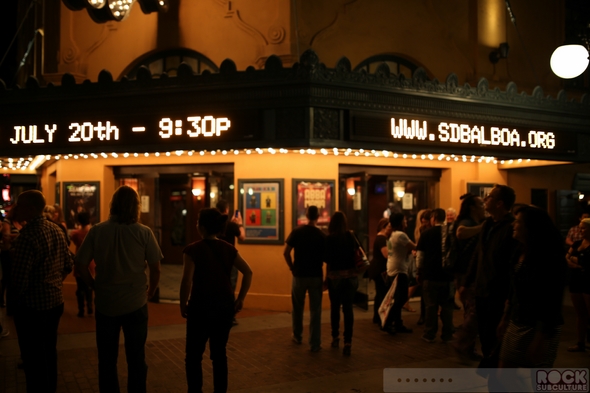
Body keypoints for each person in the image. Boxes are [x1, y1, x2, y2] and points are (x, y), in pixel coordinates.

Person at [75, 185, 163, 393]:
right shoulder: (144, 233)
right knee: (136, 359)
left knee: (106, 360)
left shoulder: (97, 231)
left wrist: (94, 285)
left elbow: (80, 264)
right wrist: (150, 292)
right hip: (135, 303)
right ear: (136, 207)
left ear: (112, 205)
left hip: (106, 304)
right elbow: (156, 268)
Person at [180, 208, 253, 393]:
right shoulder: (229, 249)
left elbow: (187, 280)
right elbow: (248, 272)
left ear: (202, 227)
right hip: (224, 306)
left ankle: (195, 390)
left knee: (193, 356)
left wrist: (183, 304)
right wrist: (241, 299)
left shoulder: (192, 250)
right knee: (219, 354)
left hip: (199, 307)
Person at [11, 190, 73, 393]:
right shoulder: (55, 229)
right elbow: (68, 264)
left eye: (19, 205)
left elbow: (19, 280)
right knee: (49, 352)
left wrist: (15, 304)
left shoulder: (27, 237)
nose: (15, 208)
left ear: (30, 208)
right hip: (55, 302)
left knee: (32, 356)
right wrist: (53, 282)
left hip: (32, 307)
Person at [496, 206, 566, 368]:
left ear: (531, 227)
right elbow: (514, 288)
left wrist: (540, 337)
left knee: (538, 375)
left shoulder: (550, 258)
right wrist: (506, 316)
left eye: (518, 221)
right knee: (504, 372)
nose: (513, 225)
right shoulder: (519, 251)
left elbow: (551, 299)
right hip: (518, 320)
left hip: (540, 325)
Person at [462, 184, 519, 361]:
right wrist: (466, 282)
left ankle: (500, 379)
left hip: (498, 293)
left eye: (490, 197)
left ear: (500, 203)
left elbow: (513, 265)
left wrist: (510, 296)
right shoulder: (487, 225)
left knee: (497, 338)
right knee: (486, 337)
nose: (486, 200)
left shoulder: (511, 227)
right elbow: (478, 255)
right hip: (482, 290)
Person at [283, 205, 326, 352]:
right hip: (315, 276)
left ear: (306, 215)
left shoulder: (297, 231)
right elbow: (327, 258)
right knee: (316, 310)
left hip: (299, 274)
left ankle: (297, 335)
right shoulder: (321, 235)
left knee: (297, 307)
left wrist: (292, 267)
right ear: (318, 216)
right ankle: (315, 343)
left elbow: (286, 252)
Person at [451, 193, 485, 359]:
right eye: (480, 204)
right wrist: (484, 227)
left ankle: (467, 348)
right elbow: (461, 233)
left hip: (468, 273)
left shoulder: (475, 222)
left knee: (470, 310)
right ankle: (462, 342)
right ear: (472, 207)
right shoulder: (467, 223)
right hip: (466, 274)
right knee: (475, 310)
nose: (484, 207)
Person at [416, 208, 455, 343]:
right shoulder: (450, 233)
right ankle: (447, 333)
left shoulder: (426, 234)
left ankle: (430, 333)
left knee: (431, 306)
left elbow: (420, 256)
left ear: (433, 218)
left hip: (430, 275)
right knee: (447, 307)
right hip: (447, 276)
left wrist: (419, 272)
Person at [324, 211, 360, 356]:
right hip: (350, 278)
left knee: (335, 308)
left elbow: (326, 259)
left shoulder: (329, 239)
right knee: (348, 309)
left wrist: (326, 278)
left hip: (335, 278)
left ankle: (335, 337)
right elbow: (358, 253)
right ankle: (348, 341)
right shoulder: (351, 236)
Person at [383, 213, 416, 335]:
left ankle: (398, 323)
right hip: (399, 270)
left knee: (398, 297)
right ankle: (387, 322)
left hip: (392, 269)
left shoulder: (392, 235)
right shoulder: (401, 235)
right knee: (401, 299)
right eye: (404, 219)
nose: (406, 221)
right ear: (400, 222)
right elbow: (414, 246)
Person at [216, 200, 246, 326]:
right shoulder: (231, 225)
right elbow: (242, 237)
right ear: (227, 210)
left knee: (218, 285)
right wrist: (239, 224)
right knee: (230, 286)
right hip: (230, 259)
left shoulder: (214, 224)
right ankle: (230, 315)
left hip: (216, 258)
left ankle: (217, 313)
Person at [565, 217, 590, 352]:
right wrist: (579, 262)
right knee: (580, 314)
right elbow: (566, 258)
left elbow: (587, 262)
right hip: (576, 280)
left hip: (588, 280)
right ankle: (580, 342)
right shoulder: (577, 243)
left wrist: (576, 260)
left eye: (583, 228)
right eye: (580, 228)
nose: (580, 230)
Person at [369, 217, 392, 325]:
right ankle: (379, 316)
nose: (391, 229)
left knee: (380, 293)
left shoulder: (382, 238)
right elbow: (386, 254)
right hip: (380, 269)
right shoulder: (382, 239)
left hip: (377, 268)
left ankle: (377, 316)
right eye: (389, 226)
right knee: (382, 293)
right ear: (384, 227)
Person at [71, 212, 94, 317]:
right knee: (90, 285)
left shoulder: (75, 233)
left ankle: (81, 310)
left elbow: (74, 242)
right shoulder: (93, 232)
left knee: (80, 287)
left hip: (80, 260)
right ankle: (90, 305)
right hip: (91, 261)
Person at [0, 206, 20, 314]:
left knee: (13, 279)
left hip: (16, 253)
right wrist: (19, 236)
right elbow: (6, 236)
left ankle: (12, 304)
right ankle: (7, 305)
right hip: (7, 253)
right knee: (8, 278)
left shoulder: (21, 222)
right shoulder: (7, 222)